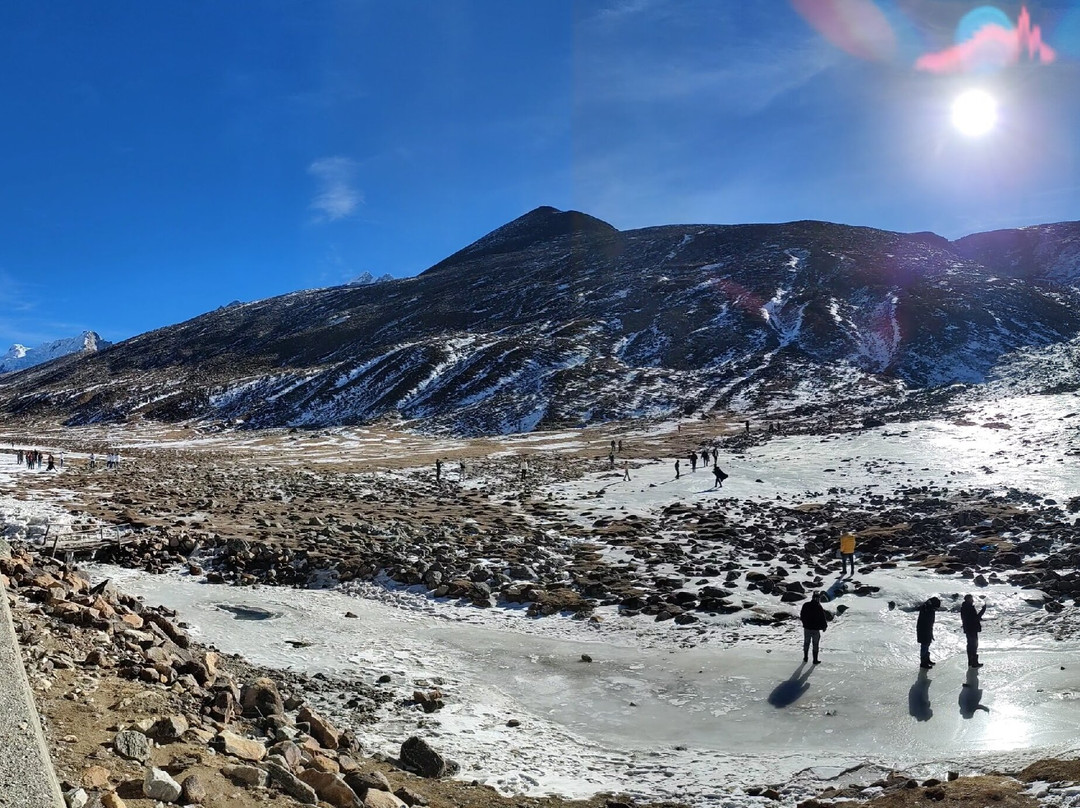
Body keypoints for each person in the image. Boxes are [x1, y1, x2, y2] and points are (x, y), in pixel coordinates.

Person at [799, 592, 828, 664]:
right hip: (815, 629)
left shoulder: (806, 605)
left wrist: (804, 623)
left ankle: (805, 657)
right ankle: (815, 660)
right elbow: (822, 618)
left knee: (806, 643)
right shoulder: (818, 607)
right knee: (815, 644)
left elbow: (802, 616)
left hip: (807, 628)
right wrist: (824, 626)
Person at [960, 594, 987, 668]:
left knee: (970, 645)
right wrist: (983, 610)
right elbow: (976, 618)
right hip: (971, 628)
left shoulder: (964, 607)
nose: (972, 600)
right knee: (973, 645)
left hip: (968, 628)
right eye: (971, 599)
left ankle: (971, 662)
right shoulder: (969, 608)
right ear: (968, 600)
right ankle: (974, 662)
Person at [917, 597, 941, 669]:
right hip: (923, 629)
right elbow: (925, 621)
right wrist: (928, 631)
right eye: (936, 608)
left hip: (927, 629)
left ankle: (926, 659)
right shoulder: (927, 608)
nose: (936, 610)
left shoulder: (929, 607)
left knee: (927, 644)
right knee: (924, 645)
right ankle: (923, 662)